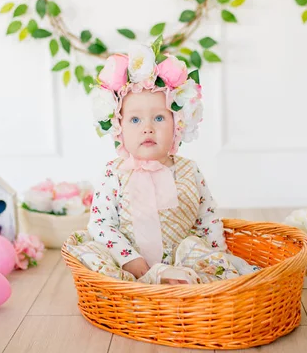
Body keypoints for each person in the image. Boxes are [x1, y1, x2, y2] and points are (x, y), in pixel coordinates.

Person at [66, 37, 258, 284]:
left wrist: (216, 254)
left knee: (203, 253)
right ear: (119, 128)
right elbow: (101, 225)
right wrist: (131, 261)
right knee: (89, 252)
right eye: (135, 120)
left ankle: (195, 283)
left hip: (183, 264)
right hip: (130, 268)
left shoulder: (189, 170)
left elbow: (207, 218)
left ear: (177, 124)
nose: (147, 128)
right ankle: (146, 280)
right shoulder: (114, 173)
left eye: (158, 118)